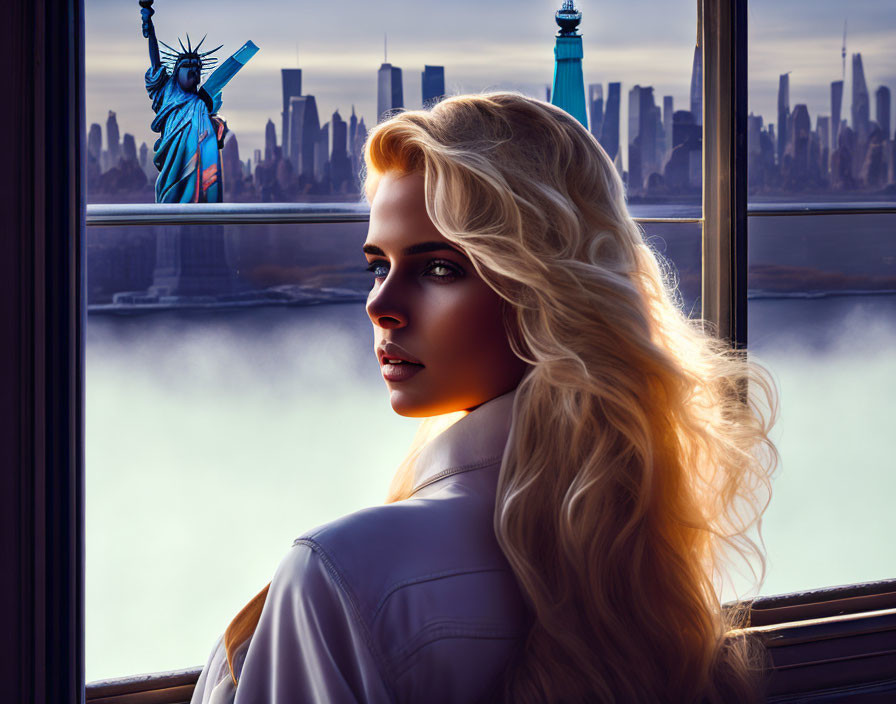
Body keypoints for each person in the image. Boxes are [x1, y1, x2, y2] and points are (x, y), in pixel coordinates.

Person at [189, 92, 778, 703]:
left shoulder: (338, 573)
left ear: (544, 290)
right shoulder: (632, 540)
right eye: (377, 266)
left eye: (439, 268)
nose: (379, 305)